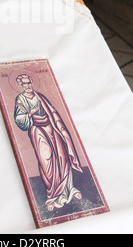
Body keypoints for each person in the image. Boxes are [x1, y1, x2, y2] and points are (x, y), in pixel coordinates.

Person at [14, 74, 82, 212]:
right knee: (47, 162)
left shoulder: (39, 96)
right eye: (24, 84)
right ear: (20, 86)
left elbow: (51, 111)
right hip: (37, 130)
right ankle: (52, 196)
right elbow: (19, 120)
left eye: (29, 83)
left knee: (62, 157)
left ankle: (70, 189)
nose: (27, 86)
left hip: (51, 127)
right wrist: (30, 114)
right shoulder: (20, 99)